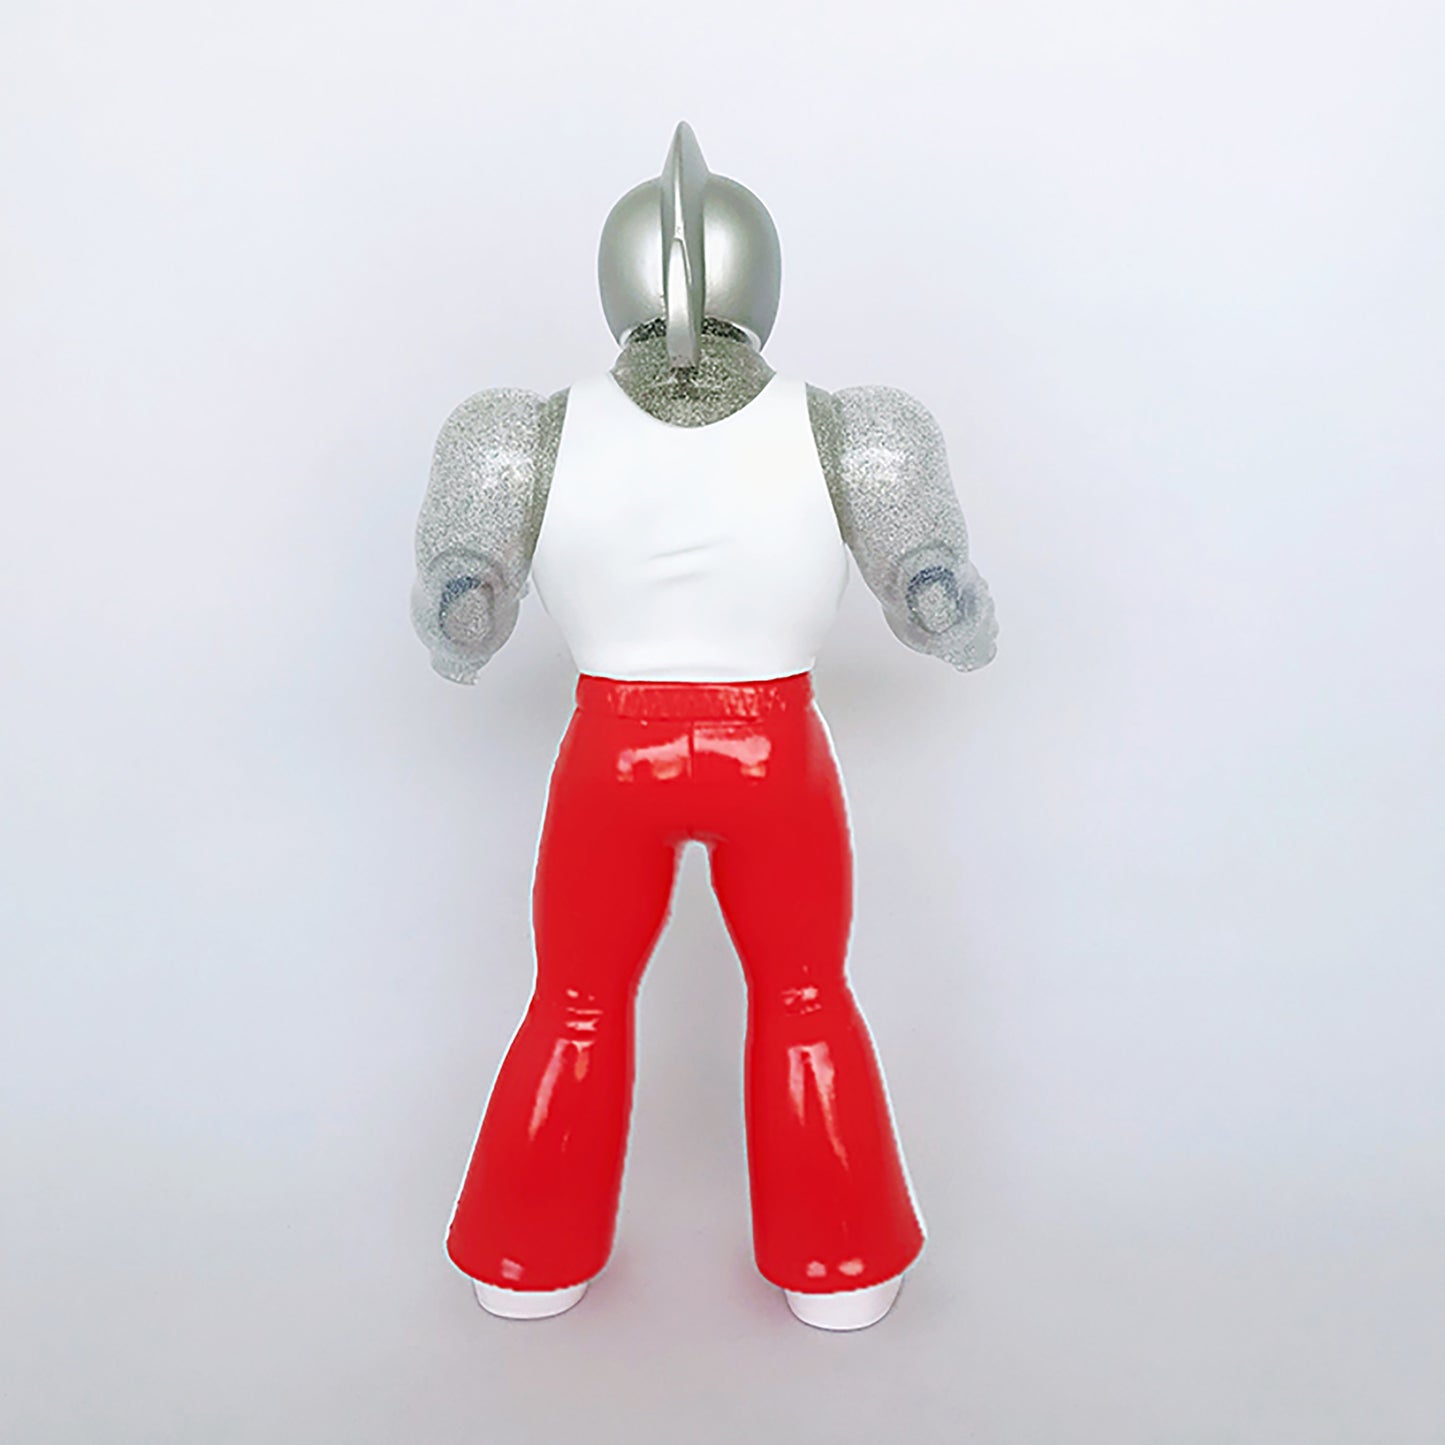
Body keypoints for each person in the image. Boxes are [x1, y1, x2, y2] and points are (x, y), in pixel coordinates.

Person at [412, 123, 997, 1330]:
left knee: (577, 997)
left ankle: (527, 1258)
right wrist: (938, 591)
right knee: (803, 994)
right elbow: (942, 612)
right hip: (769, 748)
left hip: (611, 751)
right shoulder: (851, 429)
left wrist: (475, 583)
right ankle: (841, 1264)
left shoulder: (522, 432)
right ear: (760, 279)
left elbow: (459, 627)